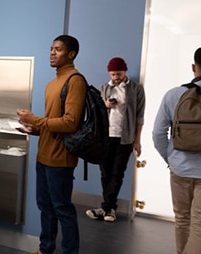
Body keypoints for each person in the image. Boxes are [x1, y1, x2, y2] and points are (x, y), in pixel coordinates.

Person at [17, 34, 85, 254]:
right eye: (51, 49)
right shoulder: (51, 84)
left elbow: (70, 122)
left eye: (58, 49)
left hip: (61, 160)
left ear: (71, 54)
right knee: (45, 208)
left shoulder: (75, 80)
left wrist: (34, 119)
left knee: (62, 209)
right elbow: (52, 123)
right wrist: (33, 128)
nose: (52, 53)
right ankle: (46, 249)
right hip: (43, 156)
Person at [152, 47, 201, 254]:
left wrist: (171, 159)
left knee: (181, 220)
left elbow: (157, 134)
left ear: (193, 67)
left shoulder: (174, 94)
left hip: (179, 170)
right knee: (199, 226)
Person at [85, 57, 145, 222]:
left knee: (117, 173)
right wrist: (104, 105)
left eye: (118, 73)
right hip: (104, 137)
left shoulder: (136, 89)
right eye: (112, 74)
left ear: (124, 71)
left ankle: (106, 208)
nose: (115, 77)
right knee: (105, 173)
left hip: (125, 138)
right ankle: (109, 209)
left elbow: (139, 117)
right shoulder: (103, 88)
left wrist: (137, 140)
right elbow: (93, 112)